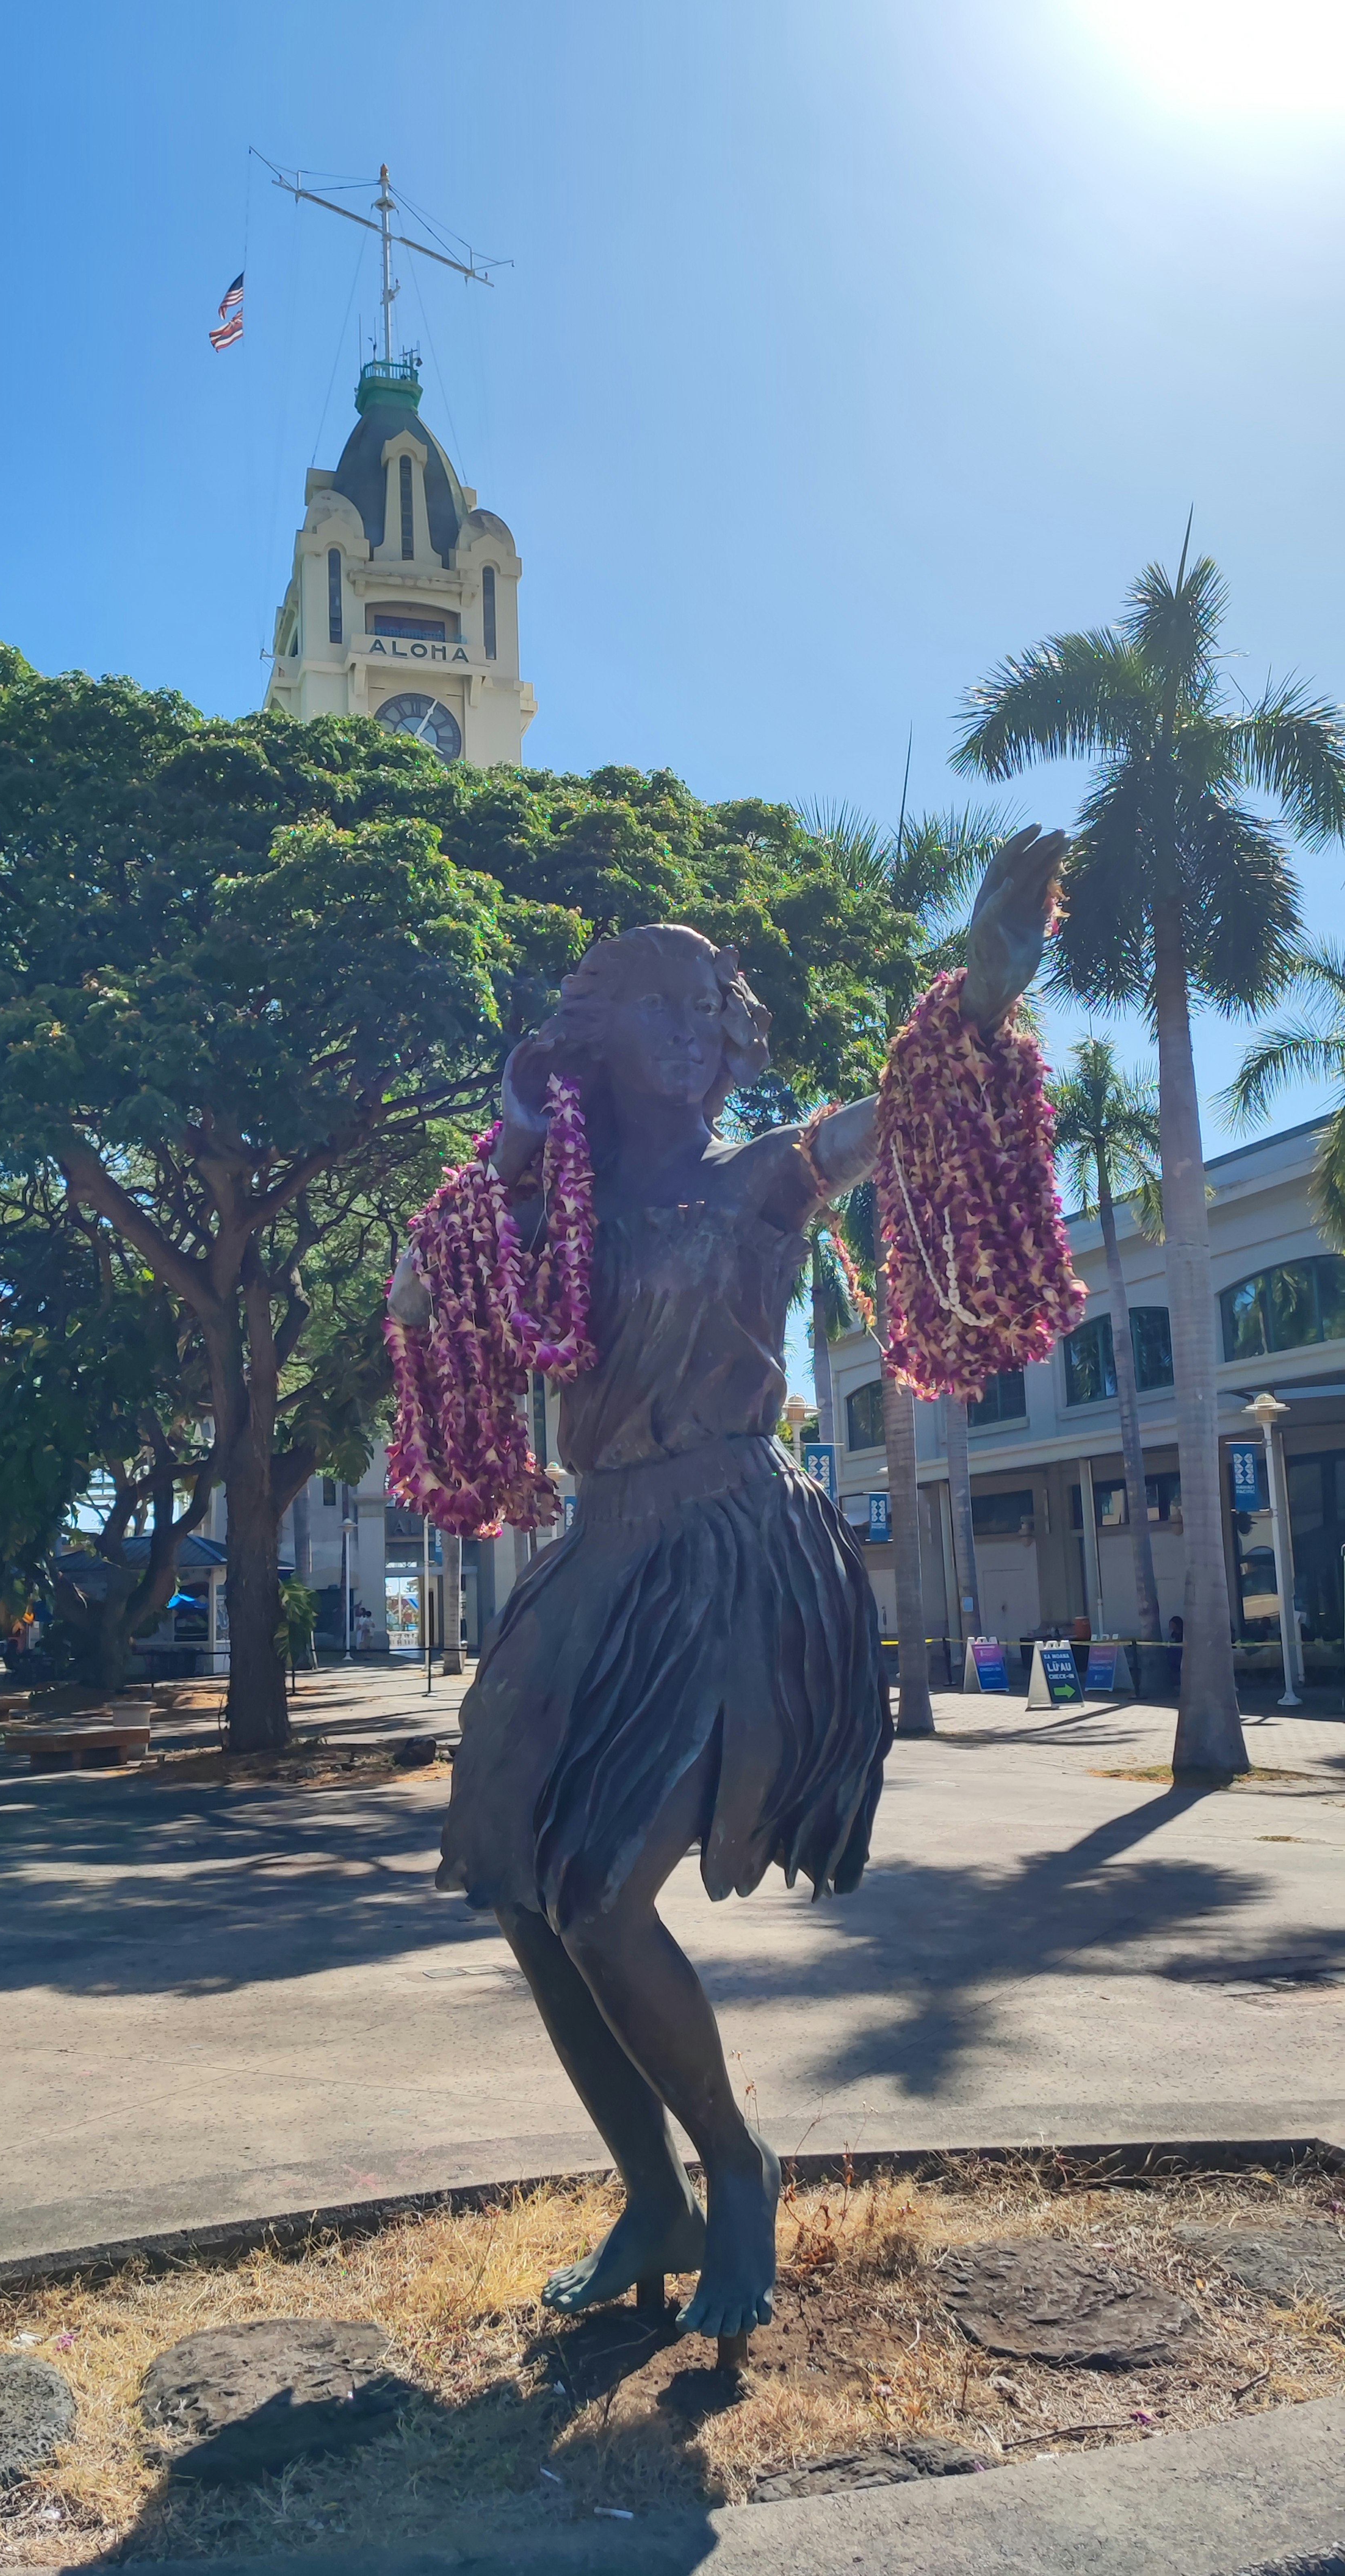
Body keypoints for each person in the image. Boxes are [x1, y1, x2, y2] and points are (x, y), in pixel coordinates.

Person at [389, 828, 1064, 2341]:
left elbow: (885, 1123)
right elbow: (424, 1294)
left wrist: (975, 993)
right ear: (597, 1041)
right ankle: (656, 2198)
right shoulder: (544, 1217)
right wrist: (508, 1146)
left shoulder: (763, 1178)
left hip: (727, 1551)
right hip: (601, 1551)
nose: (700, 1033)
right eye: (665, 1008)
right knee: (520, 1879)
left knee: (600, 1893)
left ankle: (740, 2171)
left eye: (715, 1008)